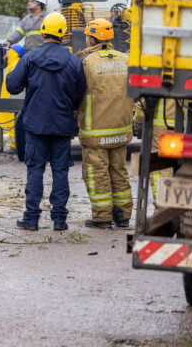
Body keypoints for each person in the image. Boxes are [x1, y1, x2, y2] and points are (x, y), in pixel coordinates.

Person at [7, 12, 85, 231]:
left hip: (35, 124)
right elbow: (80, 93)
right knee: (60, 170)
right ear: (64, 34)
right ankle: (59, 219)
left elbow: (13, 86)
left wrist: (15, 62)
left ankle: (31, 219)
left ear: (42, 33)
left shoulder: (30, 58)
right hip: (62, 125)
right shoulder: (73, 60)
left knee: (35, 170)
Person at [77, 19, 134, 229]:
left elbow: (77, 93)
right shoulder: (126, 59)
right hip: (121, 129)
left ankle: (102, 217)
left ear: (92, 37)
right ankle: (123, 216)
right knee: (119, 171)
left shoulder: (86, 62)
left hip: (96, 131)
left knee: (97, 173)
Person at [0, 44, 24, 158]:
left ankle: (15, 145)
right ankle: (14, 144)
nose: (6, 53)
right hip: (11, 97)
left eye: (9, 51)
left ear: (14, 52)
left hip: (13, 98)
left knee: (14, 122)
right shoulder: (13, 64)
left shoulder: (16, 64)